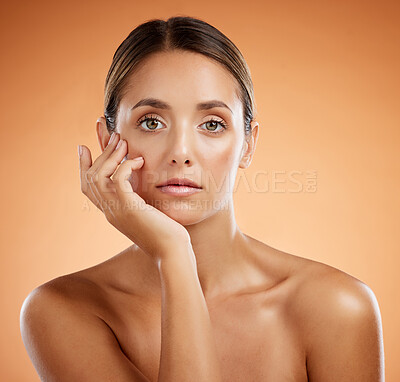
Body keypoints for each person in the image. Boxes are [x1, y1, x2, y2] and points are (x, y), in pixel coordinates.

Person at [20, 16, 384, 381]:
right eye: (151, 121)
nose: (180, 152)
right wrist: (174, 255)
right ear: (107, 141)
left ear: (248, 145)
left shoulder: (337, 308)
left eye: (212, 124)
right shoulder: (62, 310)